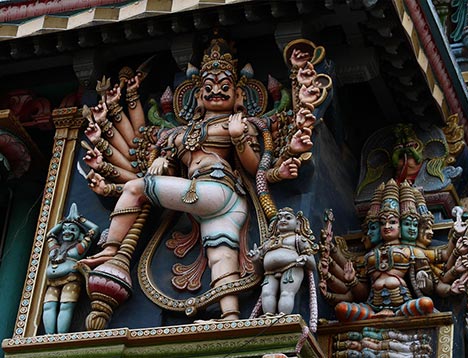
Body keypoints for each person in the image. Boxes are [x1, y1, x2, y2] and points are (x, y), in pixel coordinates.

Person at [80, 38, 301, 320]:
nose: (216, 92)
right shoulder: (180, 134)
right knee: (220, 254)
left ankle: (111, 248)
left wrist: (239, 138)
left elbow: (255, 165)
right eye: (208, 88)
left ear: (239, 96)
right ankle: (231, 319)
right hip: (211, 199)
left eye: (225, 88)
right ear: (197, 96)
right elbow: (173, 173)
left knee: (136, 188)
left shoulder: (238, 124)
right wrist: (164, 160)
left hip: (217, 189)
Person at [331, 179, 435, 321]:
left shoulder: (412, 252)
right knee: (341, 308)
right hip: (373, 305)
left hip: (402, 304)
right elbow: (362, 294)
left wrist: (423, 278)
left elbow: (429, 289)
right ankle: (378, 316)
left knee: (426, 303)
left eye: (392, 222)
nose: (387, 226)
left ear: (400, 227)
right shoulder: (369, 257)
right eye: (382, 223)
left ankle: (395, 315)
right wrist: (352, 280)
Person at [43, 203, 100, 333]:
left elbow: (95, 229)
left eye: (72, 229)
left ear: (79, 233)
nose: (67, 232)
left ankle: (60, 336)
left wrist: (80, 220)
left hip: (71, 278)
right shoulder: (56, 248)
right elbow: (50, 234)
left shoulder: (78, 247)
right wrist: (64, 222)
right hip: (52, 281)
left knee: (66, 305)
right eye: (65, 230)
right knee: (48, 306)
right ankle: (49, 336)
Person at [248, 207, 317, 315]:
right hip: (269, 272)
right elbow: (259, 272)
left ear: (297, 223)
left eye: (288, 218)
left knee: (287, 293)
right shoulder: (269, 242)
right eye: (279, 218)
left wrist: (305, 258)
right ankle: (268, 315)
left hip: (291, 268)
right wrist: (256, 259)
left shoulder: (298, 239)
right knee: (267, 293)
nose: (283, 220)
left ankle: (283, 316)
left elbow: (312, 263)